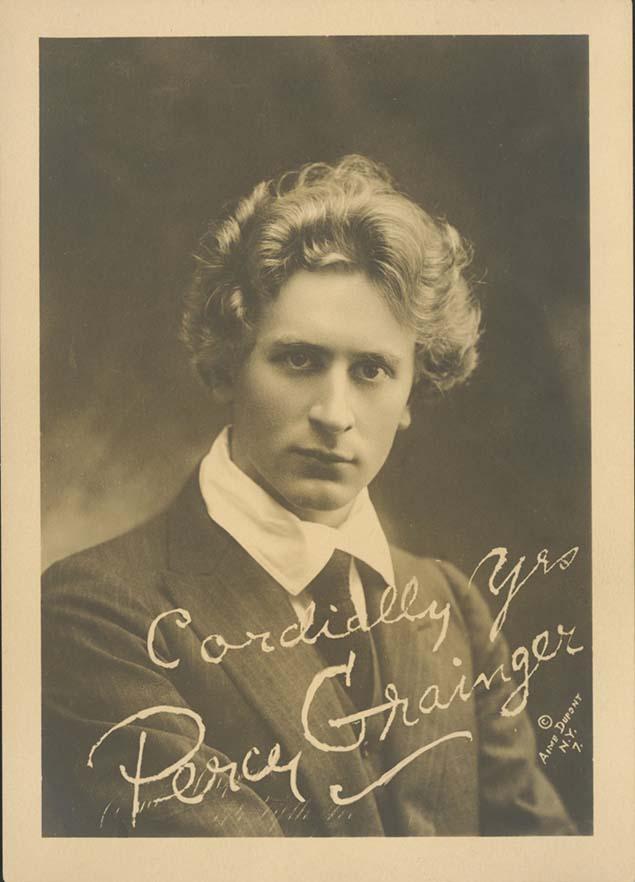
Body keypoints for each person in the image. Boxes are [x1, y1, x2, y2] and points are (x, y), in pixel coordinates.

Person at [42, 155, 575, 837]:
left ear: (413, 390)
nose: (334, 411)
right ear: (227, 361)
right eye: (299, 359)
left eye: (372, 370)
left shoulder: (449, 608)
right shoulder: (96, 612)